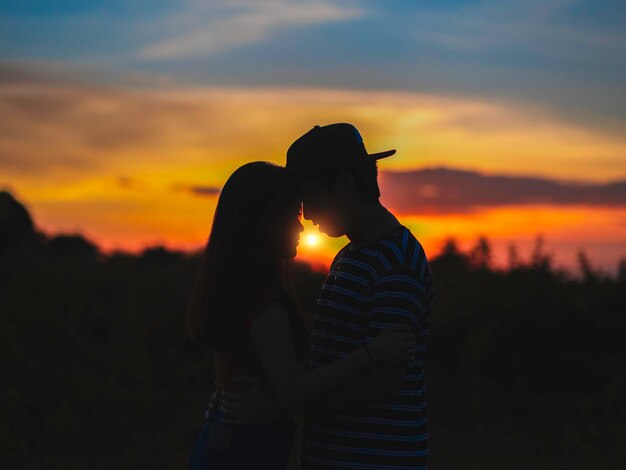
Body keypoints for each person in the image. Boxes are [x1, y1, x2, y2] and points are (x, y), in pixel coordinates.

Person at [224, 124, 435, 469]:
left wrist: (282, 402)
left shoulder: (396, 261)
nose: (306, 215)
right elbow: (330, 358)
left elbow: (384, 380)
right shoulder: (349, 257)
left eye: (311, 198)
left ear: (346, 185)